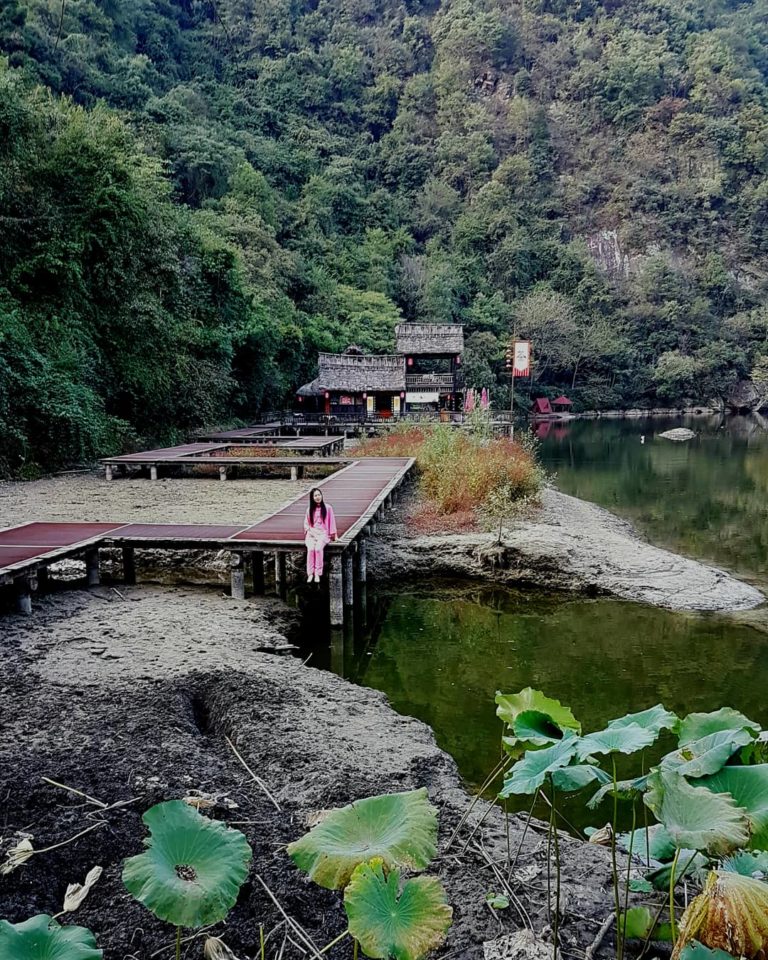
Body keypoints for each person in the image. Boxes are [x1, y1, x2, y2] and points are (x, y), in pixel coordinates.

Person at [304, 487, 337, 583]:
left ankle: (318, 573)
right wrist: (310, 531)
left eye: (319, 495)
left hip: (323, 534)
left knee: (318, 549)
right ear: (312, 498)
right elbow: (306, 524)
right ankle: (310, 573)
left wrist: (334, 536)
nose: (318, 497)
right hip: (311, 534)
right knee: (310, 550)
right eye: (315, 496)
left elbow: (332, 523)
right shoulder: (309, 509)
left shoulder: (328, 508)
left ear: (321, 496)